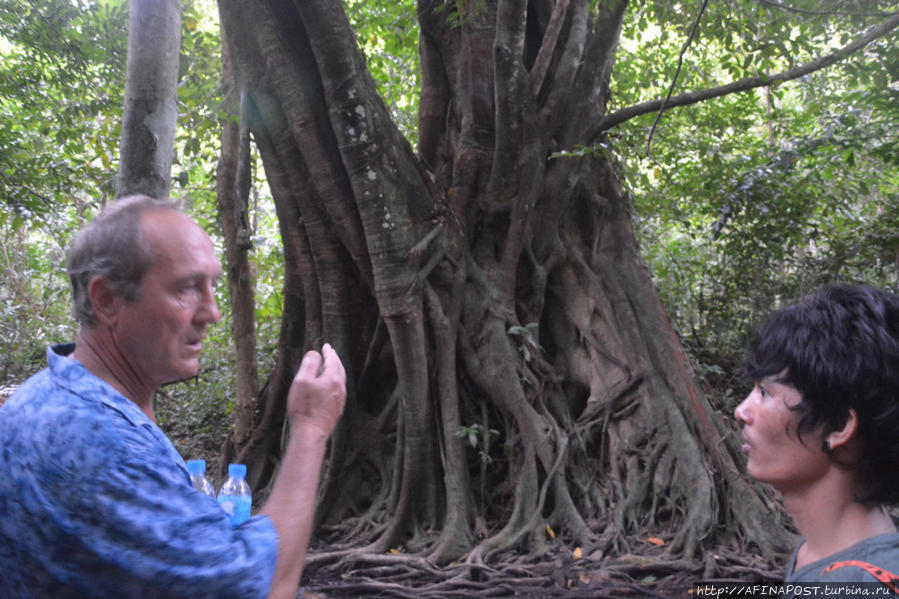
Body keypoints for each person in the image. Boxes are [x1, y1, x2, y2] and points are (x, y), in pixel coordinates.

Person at [0, 195, 346, 599]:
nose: (212, 312)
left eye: (212, 286)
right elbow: (263, 588)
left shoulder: (44, 393)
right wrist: (309, 429)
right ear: (106, 299)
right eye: (186, 288)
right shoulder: (106, 445)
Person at [735, 283, 899, 593]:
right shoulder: (823, 550)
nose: (741, 410)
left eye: (765, 392)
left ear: (838, 426)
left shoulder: (865, 585)